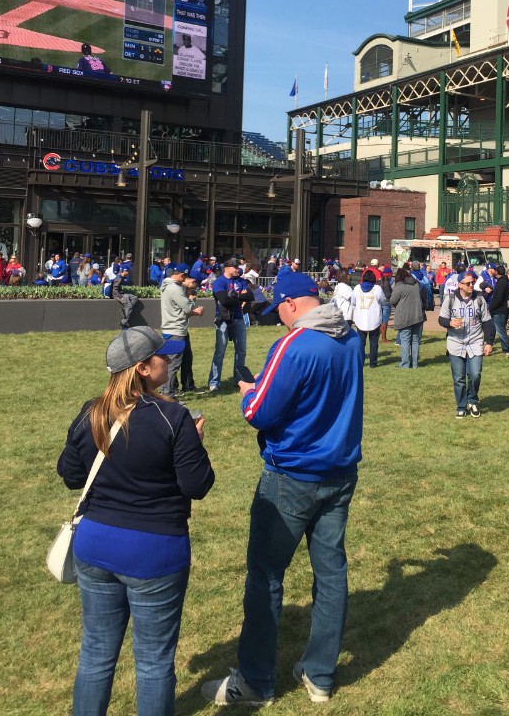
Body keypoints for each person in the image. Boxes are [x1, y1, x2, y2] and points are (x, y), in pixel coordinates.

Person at [201, 273, 363, 707]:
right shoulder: (349, 339)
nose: (279, 321)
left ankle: (254, 681)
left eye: (279, 312)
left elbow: (258, 411)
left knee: (266, 575)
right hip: (340, 472)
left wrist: (248, 391)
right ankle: (320, 675)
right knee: (331, 575)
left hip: (291, 475)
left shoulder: (295, 344)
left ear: (290, 303)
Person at [57, 327, 214, 716]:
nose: (170, 360)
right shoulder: (173, 417)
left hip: (95, 545)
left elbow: (70, 473)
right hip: (154, 552)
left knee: (95, 651)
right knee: (154, 661)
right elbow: (198, 485)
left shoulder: (91, 411)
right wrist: (194, 441)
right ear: (143, 368)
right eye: (164, 356)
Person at [438, 270, 494, 418]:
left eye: (472, 282)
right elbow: (441, 319)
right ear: (460, 285)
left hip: (475, 341)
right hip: (456, 342)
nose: (471, 285)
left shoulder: (479, 299)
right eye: (467, 283)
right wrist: (450, 322)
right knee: (459, 378)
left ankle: (473, 400)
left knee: (475, 374)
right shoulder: (450, 299)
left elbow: (487, 321)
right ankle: (461, 406)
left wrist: (489, 342)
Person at [208, 258, 253, 393]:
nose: (237, 270)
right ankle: (214, 382)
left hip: (239, 318)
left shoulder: (240, 280)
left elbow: (250, 296)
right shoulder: (219, 282)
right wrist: (239, 297)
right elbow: (223, 299)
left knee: (241, 350)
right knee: (220, 351)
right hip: (223, 318)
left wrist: (234, 295)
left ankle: (239, 380)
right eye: (235, 267)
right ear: (227, 268)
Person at [160, 263, 204, 395]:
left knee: (181, 361)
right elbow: (188, 307)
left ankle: (175, 389)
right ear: (181, 274)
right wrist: (191, 300)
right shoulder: (175, 288)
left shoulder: (168, 286)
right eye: (184, 276)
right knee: (172, 364)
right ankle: (167, 393)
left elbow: (179, 310)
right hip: (175, 330)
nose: (185, 279)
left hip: (174, 329)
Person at [390, 266, 426, 369]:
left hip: (404, 316)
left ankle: (405, 364)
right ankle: (414, 364)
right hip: (417, 315)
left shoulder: (399, 286)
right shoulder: (416, 284)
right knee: (415, 340)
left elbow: (392, 301)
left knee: (405, 340)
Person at [350, 270, 386, 368]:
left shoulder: (357, 288)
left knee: (361, 343)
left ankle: (360, 362)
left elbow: (352, 302)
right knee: (374, 342)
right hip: (374, 319)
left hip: (360, 319)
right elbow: (383, 300)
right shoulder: (377, 288)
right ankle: (373, 363)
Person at [488, 263, 509, 358]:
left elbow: (498, 298)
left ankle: (507, 349)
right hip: (500, 310)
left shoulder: (501, 282)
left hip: (498, 310)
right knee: (492, 330)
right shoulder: (504, 281)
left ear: (497, 272)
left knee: (501, 331)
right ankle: (489, 346)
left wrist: (491, 308)